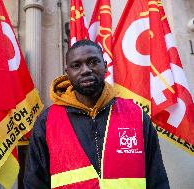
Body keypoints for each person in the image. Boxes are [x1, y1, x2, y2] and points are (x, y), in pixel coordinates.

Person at [23, 40, 169, 189]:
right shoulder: (47, 121)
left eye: (93, 62)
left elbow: (157, 179)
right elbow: (34, 182)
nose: (86, 70)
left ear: (105, 66)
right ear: (67, 72)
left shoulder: (136, 115)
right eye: (76, 65)